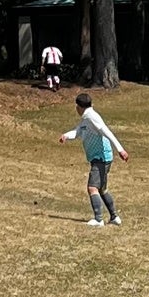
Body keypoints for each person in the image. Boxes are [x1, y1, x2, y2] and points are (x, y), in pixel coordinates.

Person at [62, 90, 127, 225]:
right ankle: (114, 217)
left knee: (92, 188)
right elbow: (78, 131)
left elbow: (107, 132)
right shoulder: (86, 118)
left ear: (78, 107)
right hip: (99, 157)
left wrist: (120, 149)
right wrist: (66, 135)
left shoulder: (92, 117)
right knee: (102, 189)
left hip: (101, 157)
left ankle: (98, 220)